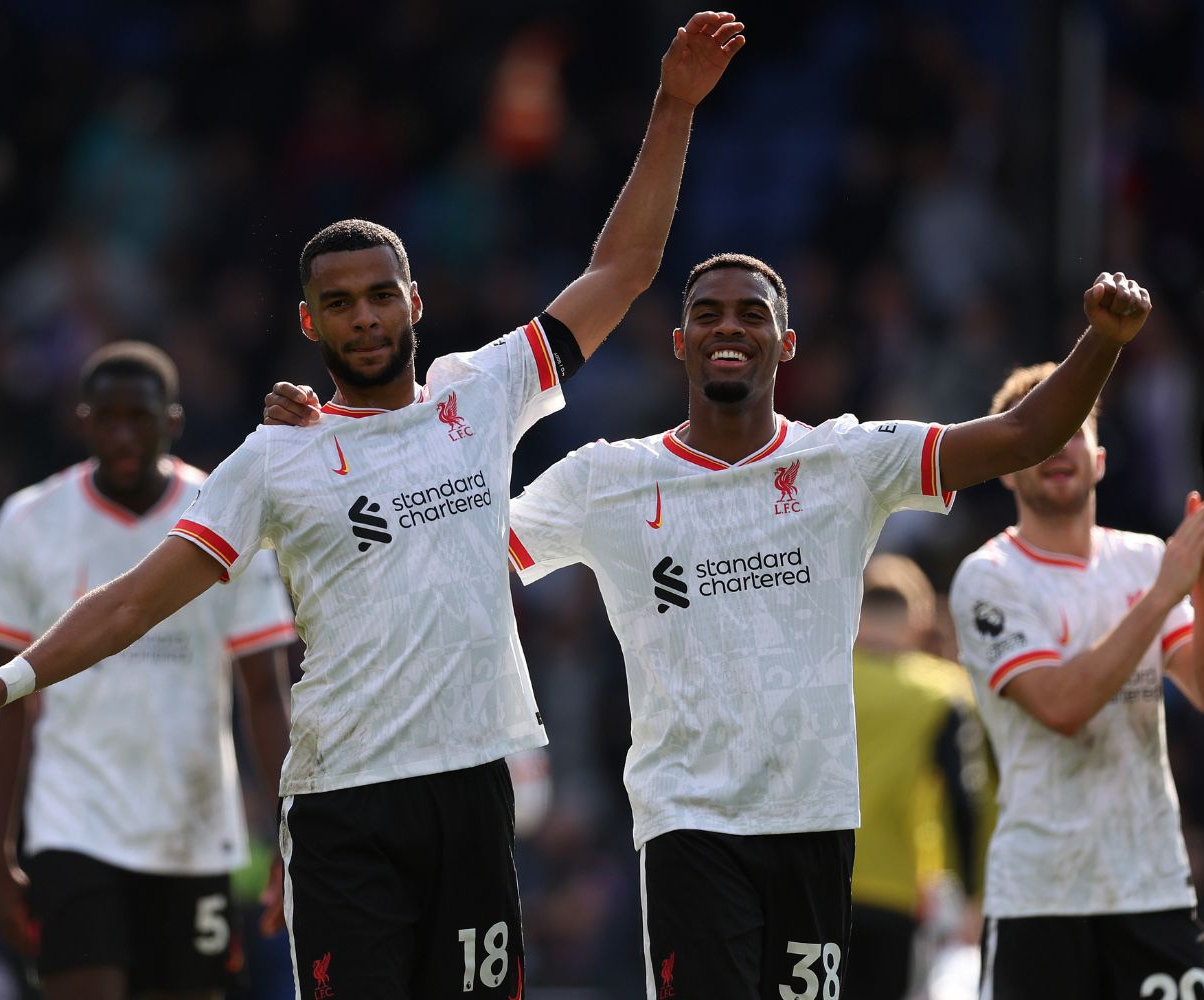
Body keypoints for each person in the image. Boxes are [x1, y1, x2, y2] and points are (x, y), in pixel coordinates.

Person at [0, 13, 745, 997]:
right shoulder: (277, 457)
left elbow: (625, 270)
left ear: (415, 301)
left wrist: (671, 109)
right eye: (341, 303)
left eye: (380, 295)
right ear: (310, 320)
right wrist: (6, 681)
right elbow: (136, 598)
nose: (364, 316)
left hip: (473, 788)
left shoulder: (483, 395)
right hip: (344, 806)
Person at [262, 255, 1152, 995]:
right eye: (708, 314)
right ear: (680, 341)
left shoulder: (846, 460)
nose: (730, 327)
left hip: (812, 817)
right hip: (689, 823)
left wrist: (1103, 344)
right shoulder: (604, 479)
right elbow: (450, 541)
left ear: (783, 341)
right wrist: (341, 442)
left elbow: (1024, 433)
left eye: (751, 314)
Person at [0, 342, 297, 1000]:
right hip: (73, 825)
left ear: (171, 420)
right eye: (108, 417)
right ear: (82, 420)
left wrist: (292, 839)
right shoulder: (29, 521)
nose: (123, 434)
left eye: (139, 417)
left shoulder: (225, 513)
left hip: (194, 832)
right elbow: (3, 704)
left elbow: (264, 694)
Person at [947, 362, 1204, 1000]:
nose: (1057, 449)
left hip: (1152, 882)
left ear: (1100, 457)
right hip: (1040, 898)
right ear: (1006, 461)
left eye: (1072, 431)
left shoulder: (1143, 560)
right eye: (1040, 434)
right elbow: (1060, 705)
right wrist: (1167, 590)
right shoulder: (988, 577)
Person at [848, 554, 992, 1000]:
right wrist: (973, 893)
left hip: (813, 886)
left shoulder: (819, 683)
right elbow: (965, 797)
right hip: (901, 890)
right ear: (919, 618)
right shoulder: (944, 691)